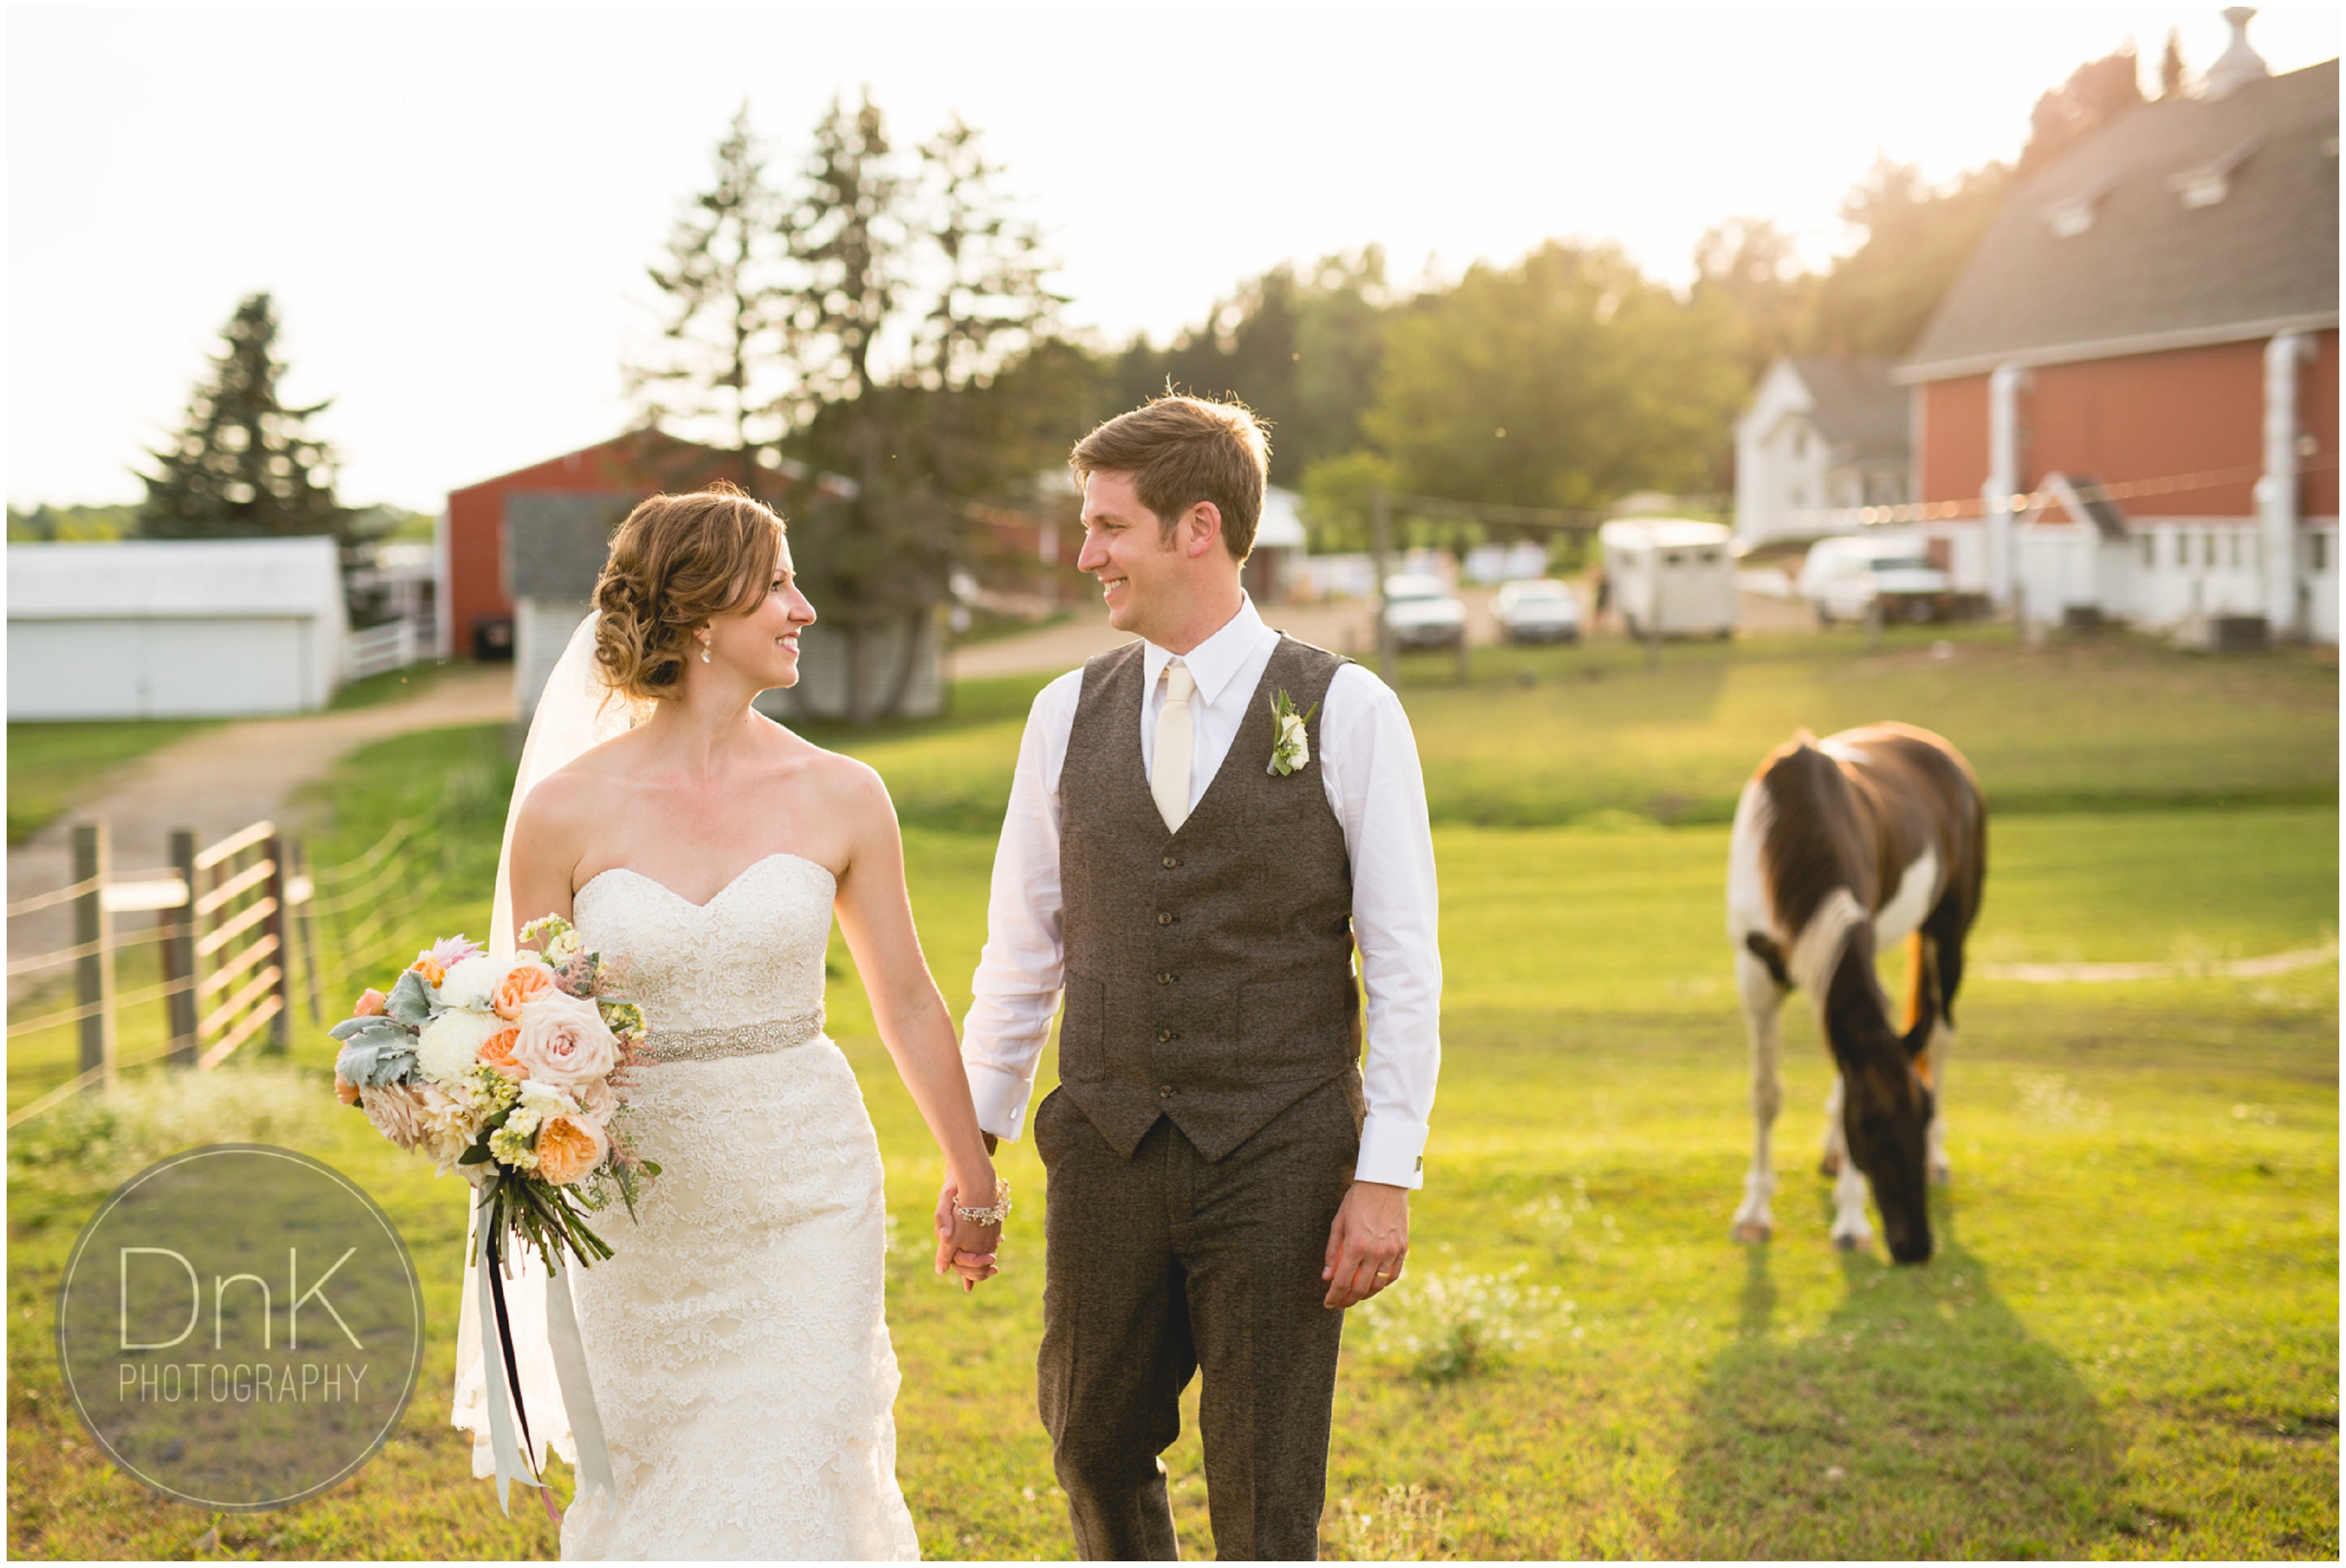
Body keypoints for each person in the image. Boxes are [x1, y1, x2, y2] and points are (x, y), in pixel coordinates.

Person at [961, 397, 1443, 1559]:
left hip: (1279, 1153)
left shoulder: (1349, 708)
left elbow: (1404, 962)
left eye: (1108, 526)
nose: (1086, 555)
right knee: (1088, 1439)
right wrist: (970, 1141)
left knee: (1268, 1484)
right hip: (1108, 1146)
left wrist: (1387, 1176)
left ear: (1199, 529)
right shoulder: (1062, 714)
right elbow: (1024, 948)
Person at [487, 482, 1003, 1559]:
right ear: (699, 615)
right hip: (639, 1210)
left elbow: (906, 998)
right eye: (777, 585)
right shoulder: (564, 812)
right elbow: (527, 1030)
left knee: (805, 1467)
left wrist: (973, 1171)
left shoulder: (845, 795)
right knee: (668, 1489)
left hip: (808, 1192)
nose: (802, 608)